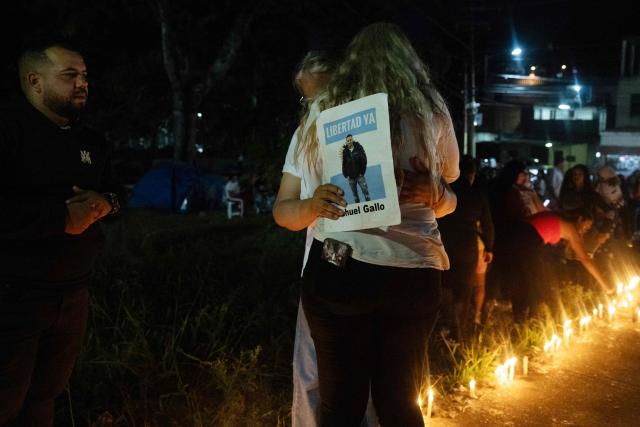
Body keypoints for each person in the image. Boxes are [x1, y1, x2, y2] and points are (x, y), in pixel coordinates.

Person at [274, 23, 459, 425]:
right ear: (411, 62)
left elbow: (283, 210)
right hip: (415, 273)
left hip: (343, 273)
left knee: (342, 406)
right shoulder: (431, 109)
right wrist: (433, 193)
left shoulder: (326, 113)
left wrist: (312, 205)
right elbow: (449, 191)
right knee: (400, 403)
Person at [0, 39, 119, 425]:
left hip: (72, 294)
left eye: (84, 76)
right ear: (35, 81)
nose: (82, 83)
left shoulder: (91, 141)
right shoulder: (10, 131)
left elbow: (118, 192)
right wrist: (60, 218)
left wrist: (106, 203)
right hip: (14, 294)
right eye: (69, 75)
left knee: (43, 399)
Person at [508, 209, 611, 322]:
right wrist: (607, 286)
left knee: (523, 281)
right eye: (587, 225)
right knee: (534, 282)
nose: (588, 228)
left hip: (517, 232)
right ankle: (529, 320)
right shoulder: (571, 230)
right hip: (527, 237)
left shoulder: (560, 221)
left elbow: (564, 253)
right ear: (580, 219)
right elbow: (586, 260)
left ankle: (521, 319)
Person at [439, 155, 494, 339]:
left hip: (444, 243)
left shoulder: (443, 191)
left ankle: (445, 325)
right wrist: (490, 247)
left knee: (445, 284)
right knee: (463, 288)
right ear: (471, 174)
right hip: (466, 246)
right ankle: (458, 330)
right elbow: (487, 223)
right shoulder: (476, 194)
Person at [341, 134, 370, 203]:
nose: (349, 141)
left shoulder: (359, 148)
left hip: (359, 176)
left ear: (352, 140)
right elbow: (344, 164)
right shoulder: (345, 152)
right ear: (346, 142)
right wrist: (346, 174)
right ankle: (358, 206)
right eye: (348, 141)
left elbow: (364, 160)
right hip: (351, 178)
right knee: (355, 195)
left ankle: (369, 204)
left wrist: (362, 173)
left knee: (365, 192)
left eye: (350, 140)